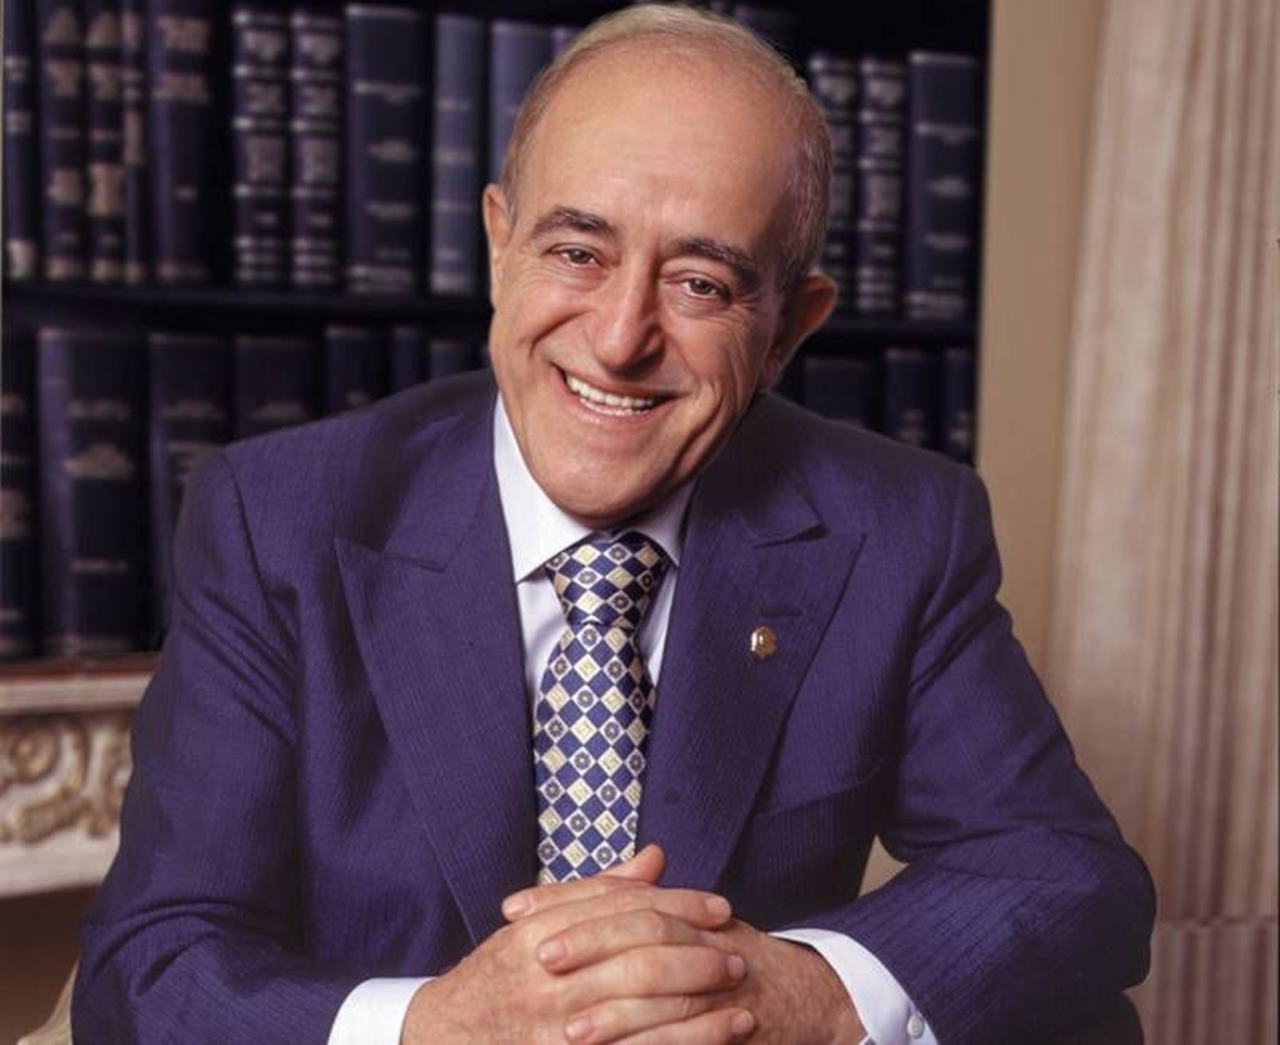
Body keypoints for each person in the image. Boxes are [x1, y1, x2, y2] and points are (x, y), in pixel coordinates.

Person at [72, 6, 1154, 1043]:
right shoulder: (279, 518)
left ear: (789, 328)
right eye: (577, 253)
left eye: (700, 283)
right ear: (498, 244)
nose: (620, 336)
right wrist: (434, 1027)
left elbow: (1071, 878)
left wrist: (807, 993)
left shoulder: (896, 528)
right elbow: (150, 963)